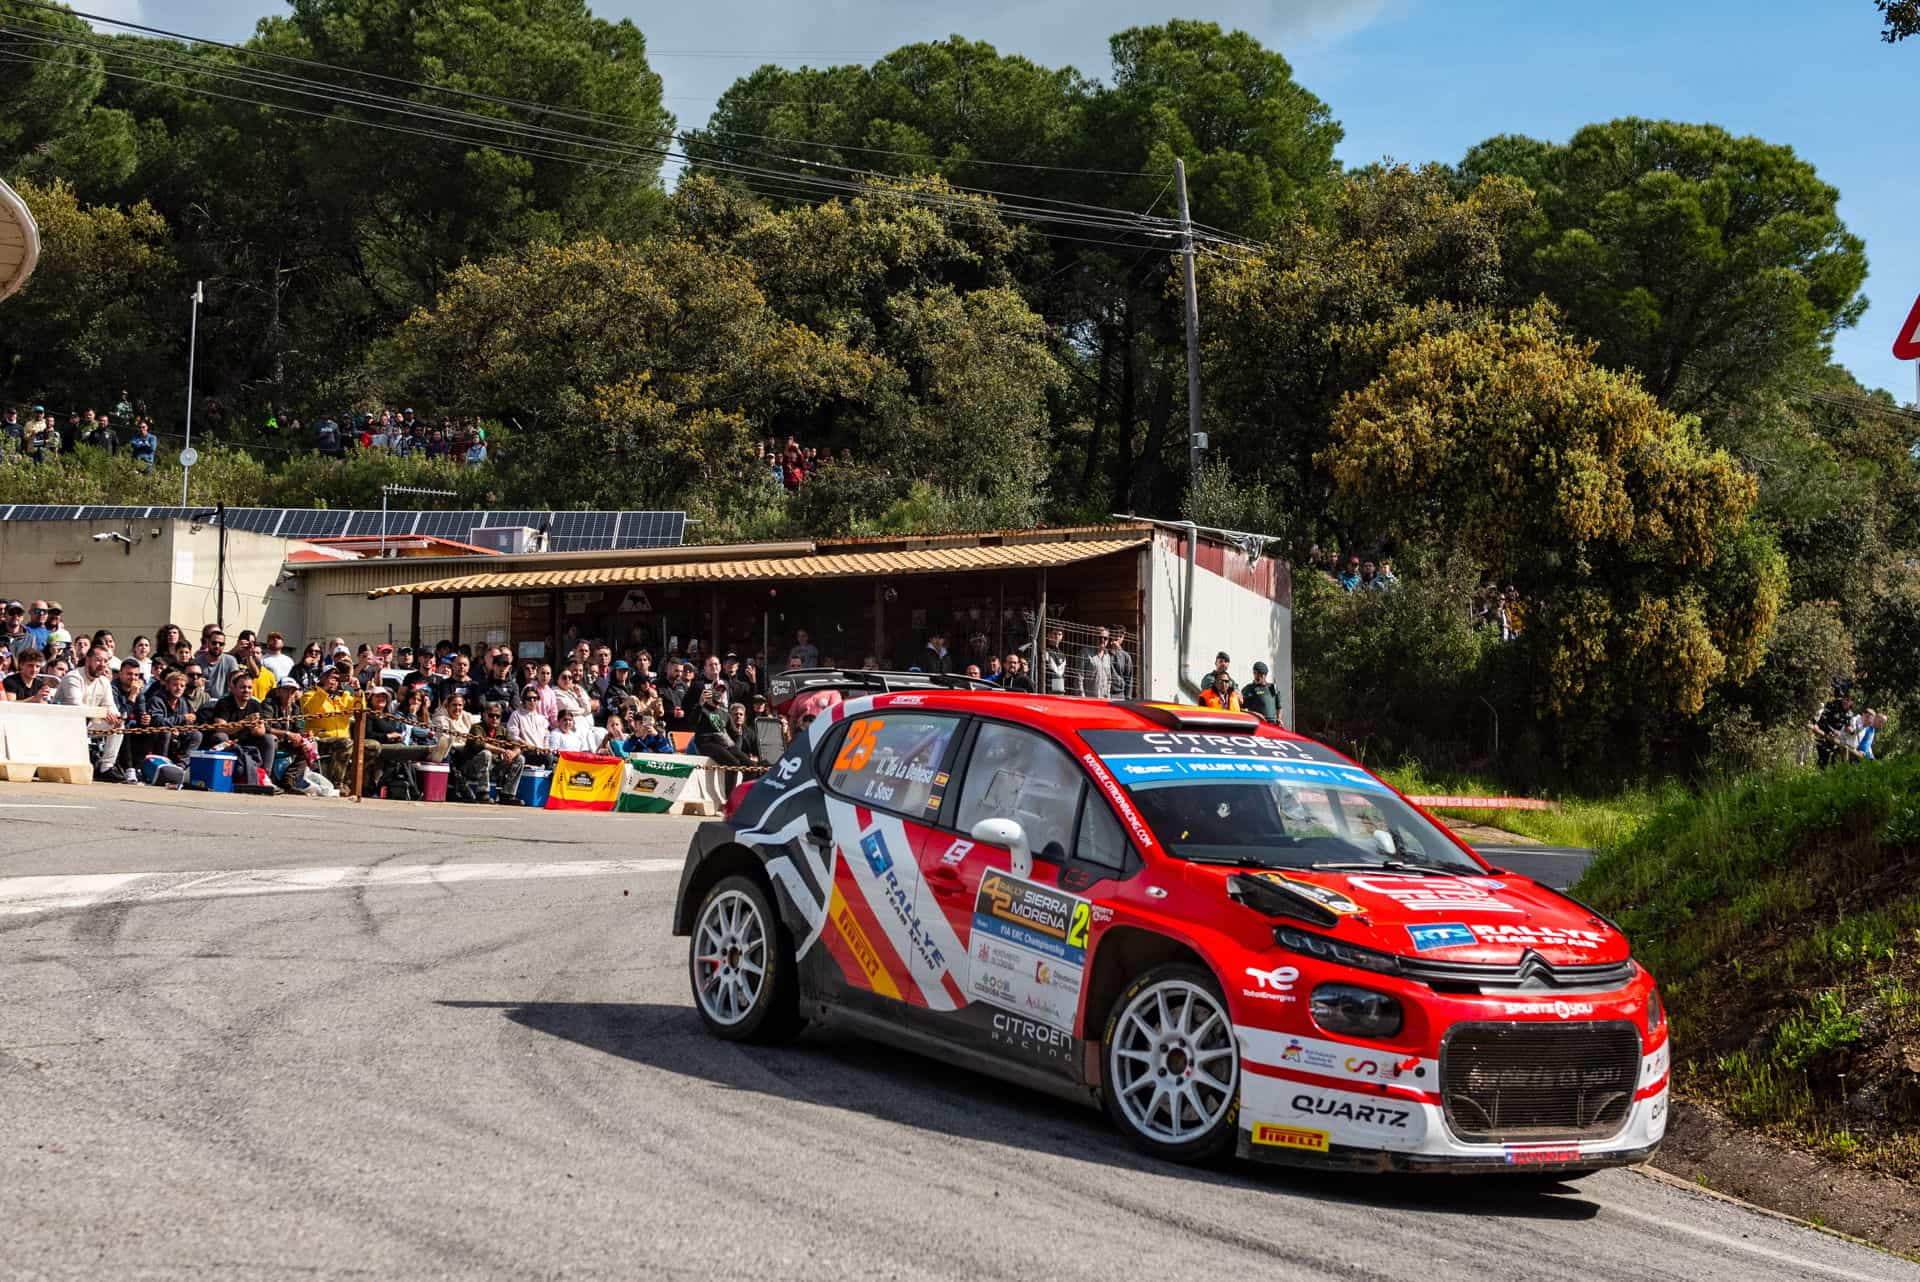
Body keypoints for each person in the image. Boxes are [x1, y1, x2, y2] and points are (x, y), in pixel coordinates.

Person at [299, 666, 359, 786]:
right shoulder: (310, 694)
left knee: (371, 747)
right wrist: (324, 689)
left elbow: (359, 709)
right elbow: (310, 711)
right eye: (331, 677)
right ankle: (336, 784)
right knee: (345, 744)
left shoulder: (343, 697)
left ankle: (356, 785)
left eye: (337, 678)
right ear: (321, 678)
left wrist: (357, 690)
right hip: (319, 740)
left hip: (343, 741)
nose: (334, 681)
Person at [141, 667, 203, 763]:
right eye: (175, 685)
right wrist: (182, 718)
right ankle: (161, 763)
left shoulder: (184, 702)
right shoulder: (156, 700)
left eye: (182, 686)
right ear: (167, 686)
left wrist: (180, 730)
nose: (179, 688)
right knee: (166, 731)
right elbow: (158, 721)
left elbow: (188, 723)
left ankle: (182, 764)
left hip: (177, 736)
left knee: (196, 735)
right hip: (156, 737)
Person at [1242, 660, 1282, 726]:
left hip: (1273, 725)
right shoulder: (1249, 688)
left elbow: (1279, 706)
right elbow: (1241, 709)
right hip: (1257, 724)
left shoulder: (1272, 687)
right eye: (1255, 673)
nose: (1257, 676)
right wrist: (1255, 714)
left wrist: (1279, 718)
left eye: (1260, 674)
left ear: (1265, 675)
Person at [1077, 626, 1113, 699]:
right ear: (1094, 637)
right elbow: (1079, 676)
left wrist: (1108, 696)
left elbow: (1109, 679)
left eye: (1105, 638)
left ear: (1108, 640)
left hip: (1104, 699)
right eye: (1100, 637)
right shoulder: (1085, 653)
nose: (1102, 640)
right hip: (1089, 698)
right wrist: (1082, 697)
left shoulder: (1108, 656)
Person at [1108, 627, 1134, 701]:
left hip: (1119, 693)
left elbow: (1129, 678)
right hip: (1105, 692)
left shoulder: (1126, 657)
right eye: (1116, 635)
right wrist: (1112, 652)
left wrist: (1128, 698)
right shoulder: (1105, 653)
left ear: (1123, 638)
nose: (1117, 638)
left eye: (1120, 636)